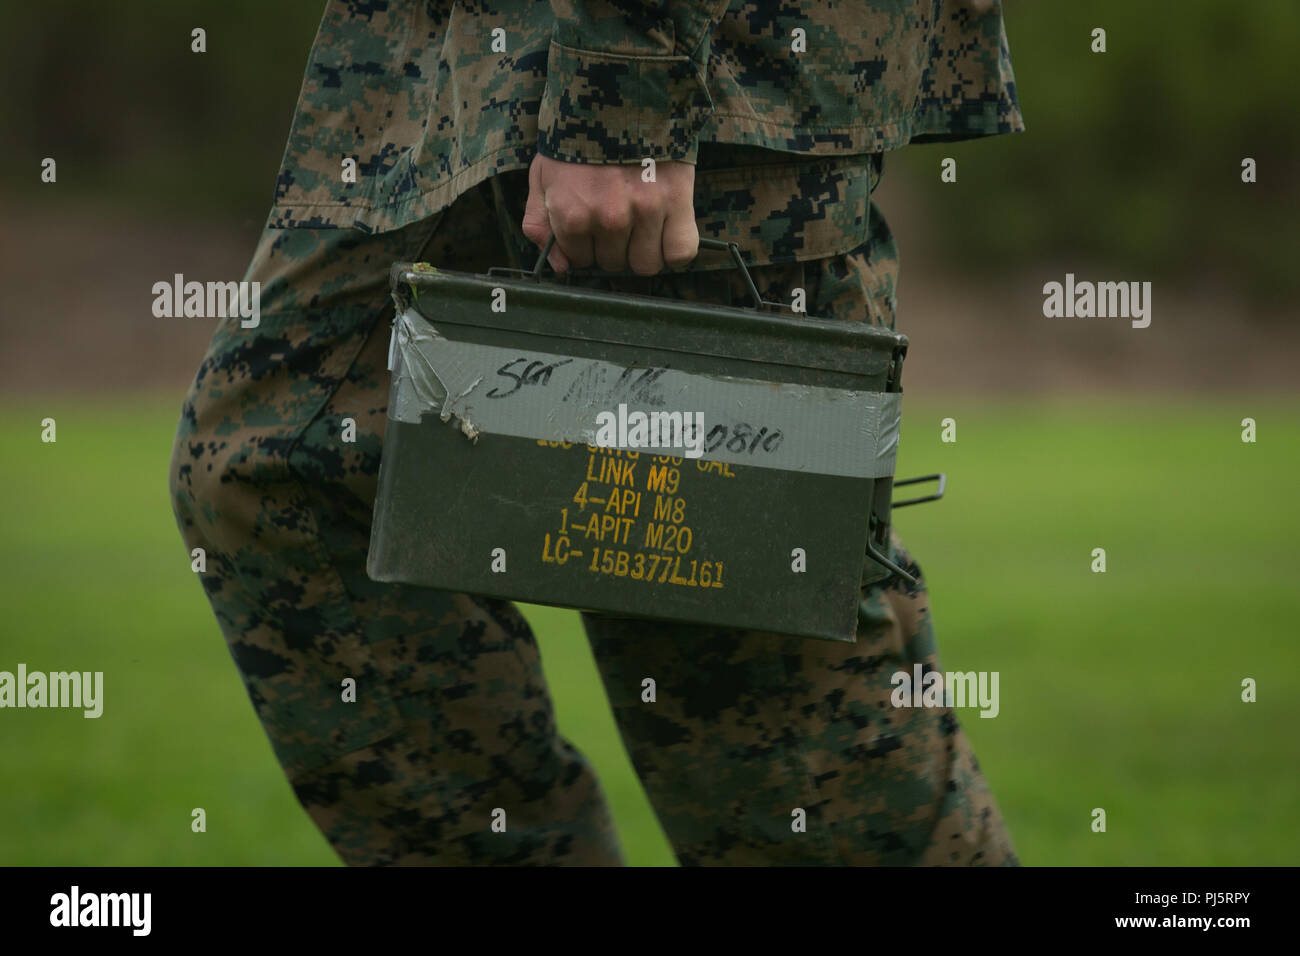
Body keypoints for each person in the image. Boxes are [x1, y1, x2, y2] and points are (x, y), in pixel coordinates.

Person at [170, 0, 1024, 865]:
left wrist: (628, 100)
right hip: (438, 75)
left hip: (690, 76)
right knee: (273, 464)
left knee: (754, 643)